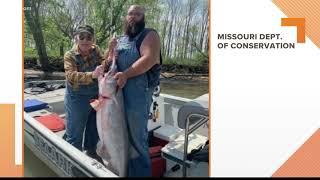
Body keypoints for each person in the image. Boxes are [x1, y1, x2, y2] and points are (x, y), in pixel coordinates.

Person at [107, 5, 161, 177]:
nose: (134, 17)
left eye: (138, 14)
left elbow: (149, 58)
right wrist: (110, 50)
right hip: (118, 93)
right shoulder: (121, 39)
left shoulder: (150, 35)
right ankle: (123, 171)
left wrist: (126, 75)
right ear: (126, 17)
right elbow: (109, 63)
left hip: (138, 93)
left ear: (143, 17)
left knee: (137, 138)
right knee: (121, 135)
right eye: (131, 13)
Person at [63, 25, 106, 163]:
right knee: (75, 133)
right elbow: (71, 76)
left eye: (88, 37)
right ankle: (73, 161)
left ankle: (91, 151)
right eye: (81, 37)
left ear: (93, 39)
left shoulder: (96, 50)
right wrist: (92, 74)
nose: (85, 40)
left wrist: (107, 59)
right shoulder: (69, 55)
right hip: (77, 97)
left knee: (94, 128)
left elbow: (104, 61)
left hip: (94, 95)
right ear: (76, 38)